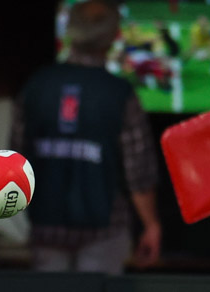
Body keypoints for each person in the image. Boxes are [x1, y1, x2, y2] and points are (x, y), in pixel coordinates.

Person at [11, 0, 162, 275]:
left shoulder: (36, 85)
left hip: (46, 225)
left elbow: (15, 157)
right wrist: (151, 225)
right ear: (114, 36)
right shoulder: (119, 93)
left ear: (69, 31)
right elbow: (138, 171)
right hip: (103, 229)